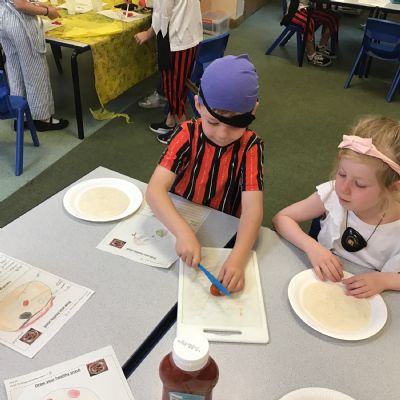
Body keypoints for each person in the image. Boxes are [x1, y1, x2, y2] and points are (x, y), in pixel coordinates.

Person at [146, 55, 264, 293]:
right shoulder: (186, 134)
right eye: (213, 123)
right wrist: (182, 231)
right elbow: (154, 191)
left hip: (224, 227)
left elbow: (252, 209)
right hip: (179, 220)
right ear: (198, 105)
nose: (222, 134)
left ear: (253, 111)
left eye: (235, 125)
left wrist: (238, 259)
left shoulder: (251, 146)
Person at [273, 116, 400, 298]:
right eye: (342, 174)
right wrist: (312, 247)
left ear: (393, 188)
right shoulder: (332, 194)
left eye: (360, 184)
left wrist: (385, 280)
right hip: (318, 283)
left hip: (363, 300)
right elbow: (281, 219)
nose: (343, 188)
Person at [134, 0, 202, 140]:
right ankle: (171, 122)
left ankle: (184, 137)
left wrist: (147, 34)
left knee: (173, 90)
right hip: (188, 35)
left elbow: (162, 15)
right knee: (179, 86)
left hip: (176, 40)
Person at [0, 0, 69, 131]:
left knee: (15, 70)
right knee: (35, 71)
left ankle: (20, 116)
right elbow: (20, 5)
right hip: (20, 22)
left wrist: (36, 4)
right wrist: (47, 12)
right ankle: (42, 118)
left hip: (3, 19)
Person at [282, 0, 339, 67]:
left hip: (308, 8)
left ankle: (321, 47)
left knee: (332, 17)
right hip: (294, 10)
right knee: (309, 22)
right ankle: (311, 55)